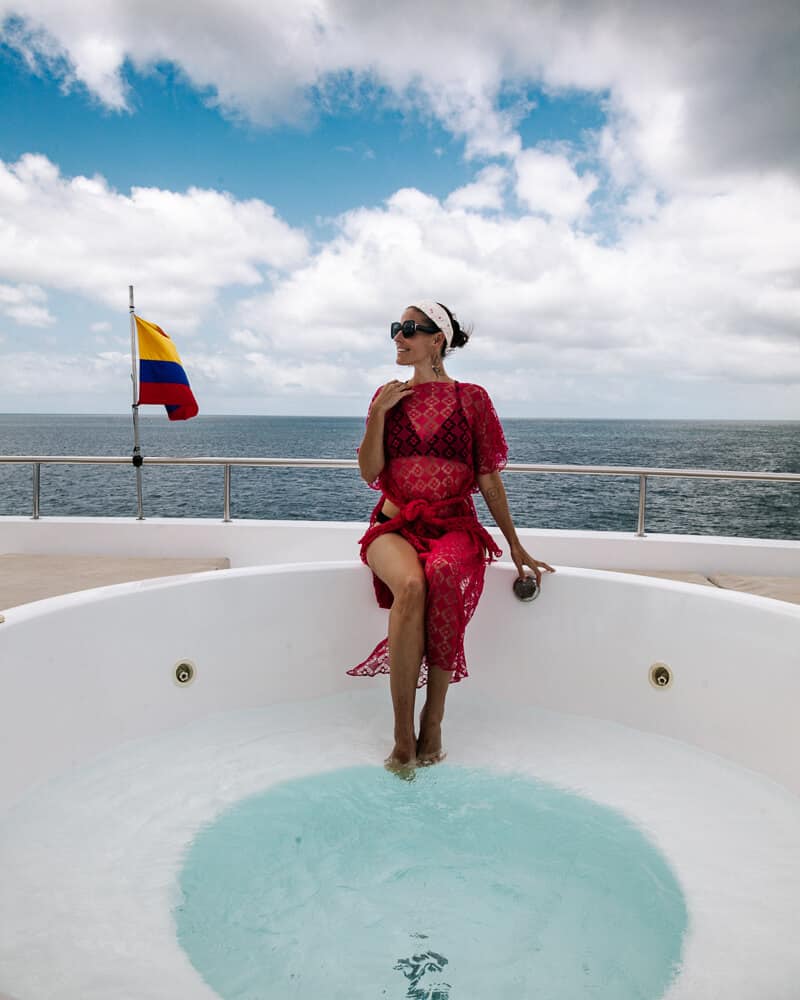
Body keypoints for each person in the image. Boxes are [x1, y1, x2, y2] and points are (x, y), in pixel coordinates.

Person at [347, 301, 555, 771]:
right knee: (413, 584)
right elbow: (369, 472)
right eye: (395, 328)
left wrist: (515, 545)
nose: (399, 337)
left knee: (441, 573)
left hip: (454, 527)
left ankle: (433, 719)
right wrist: (379, 414)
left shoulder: (471, 399)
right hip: (393, 527)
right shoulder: (387, 395)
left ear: (437, 338)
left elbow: (488, 478)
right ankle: (403, 735)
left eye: (410, 330)